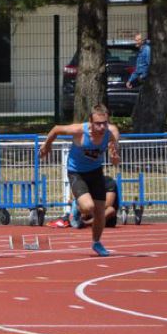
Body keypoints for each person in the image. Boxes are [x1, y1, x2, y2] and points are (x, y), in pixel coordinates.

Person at [39, 104, 120, 256]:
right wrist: (47, 145)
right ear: (90, 121)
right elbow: (56, 129)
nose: (102, 127)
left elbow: (114, 154)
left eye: (105, 123)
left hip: (96, 172)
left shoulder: (111, 132)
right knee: (88, 207)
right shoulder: (79, 131)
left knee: (100, 212)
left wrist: (115, 157)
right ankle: (78, 205)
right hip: (77, 173)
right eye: (98, 124)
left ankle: (96, 242)